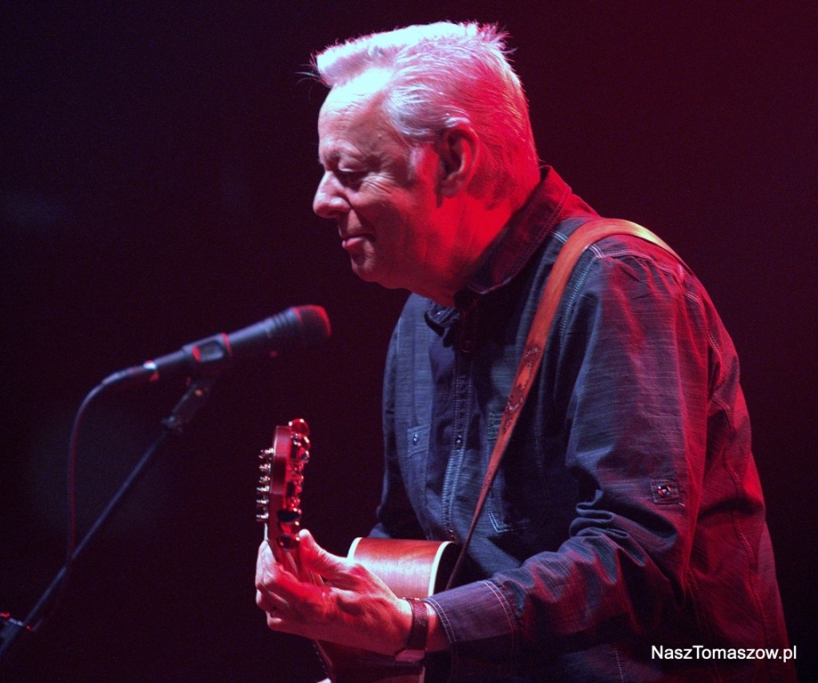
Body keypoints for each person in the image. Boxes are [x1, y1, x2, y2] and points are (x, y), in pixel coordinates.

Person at [254, 21, 794, 682]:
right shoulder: (419, 317)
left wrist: (422, 624)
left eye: (351, 172)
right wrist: (338, 591)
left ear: (453, 160)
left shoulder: (619, 283)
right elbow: (410, 542)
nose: (320, 202)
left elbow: (635, 556)